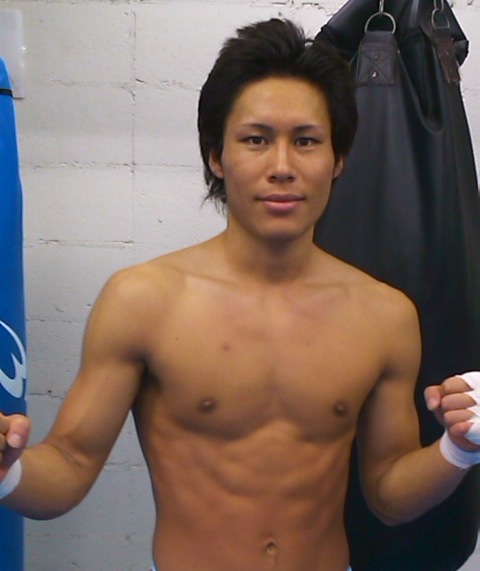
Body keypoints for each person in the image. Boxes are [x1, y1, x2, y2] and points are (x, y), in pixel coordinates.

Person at [1, 18, 480, 571]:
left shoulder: (385, 316)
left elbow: (389, 494)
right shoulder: (143, 301)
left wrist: (459, 447)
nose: (282, 167)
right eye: (256, 140)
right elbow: (68, 465)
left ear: (338, 159)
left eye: (306, 141)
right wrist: (8, 470)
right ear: (216, 156)